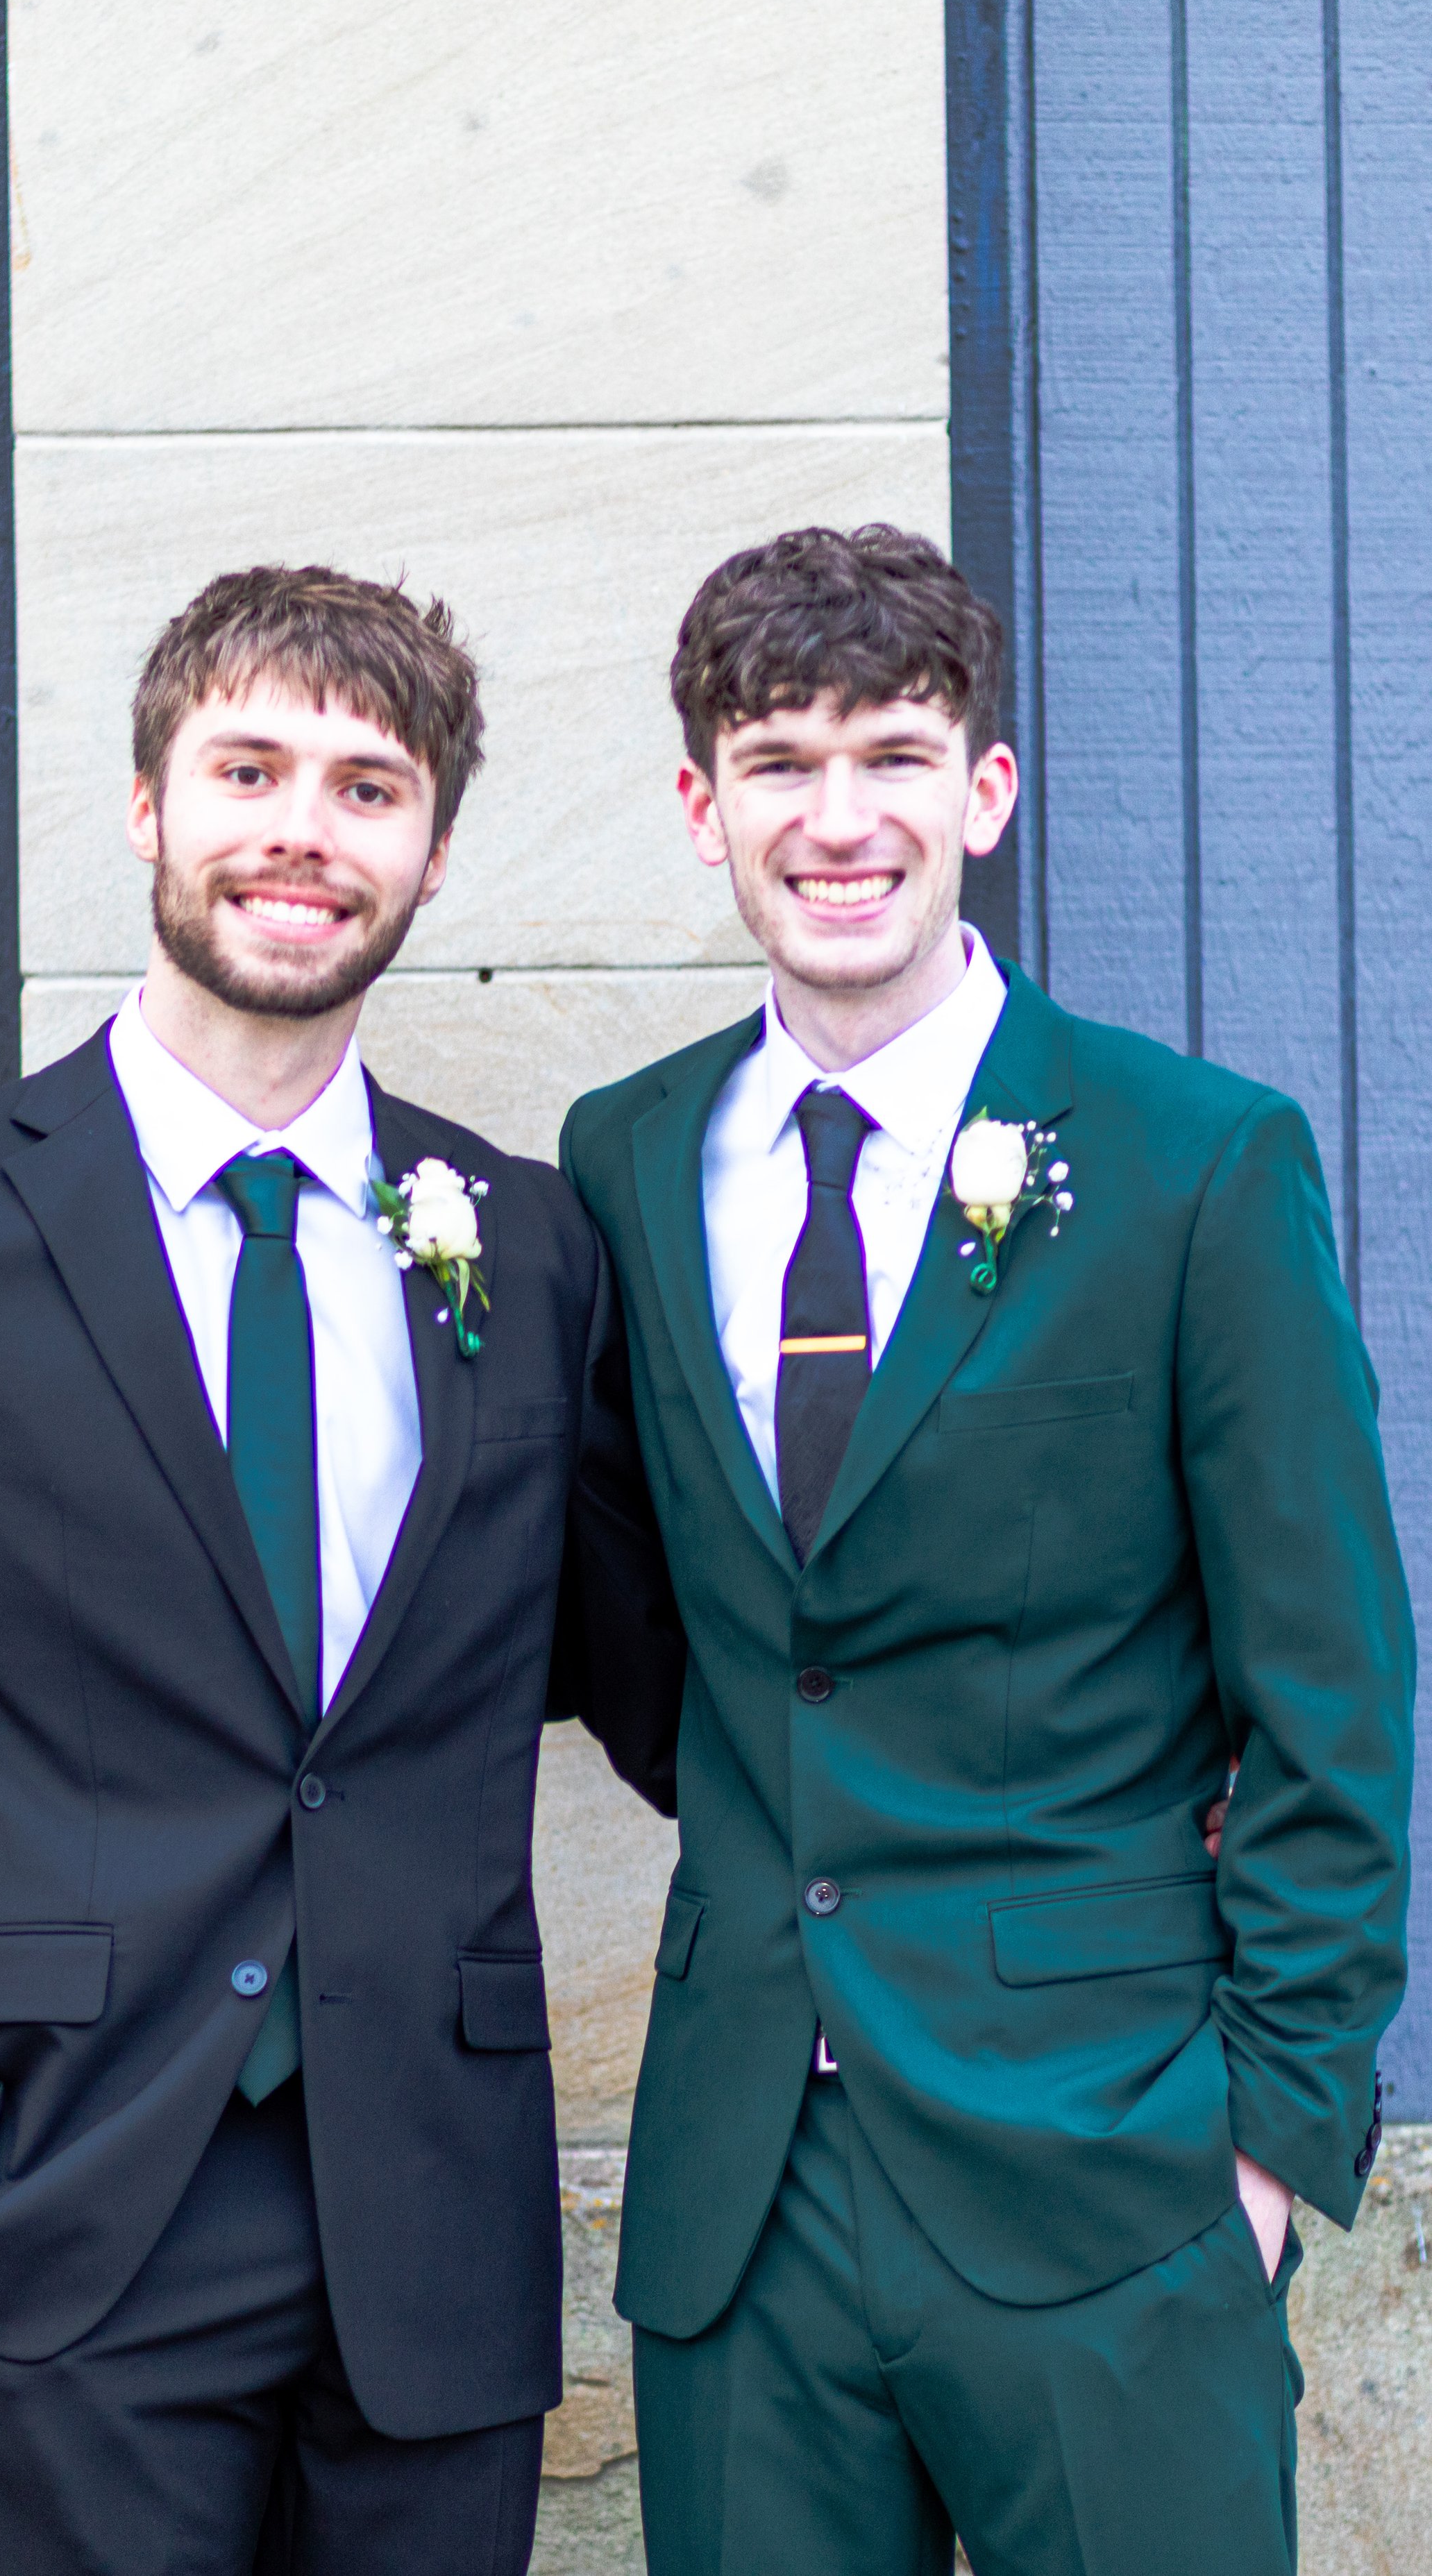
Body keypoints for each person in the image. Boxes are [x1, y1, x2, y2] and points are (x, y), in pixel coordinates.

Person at [0, 564, 682, 2576]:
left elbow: (665, 1685)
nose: (303, 832)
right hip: (79, 2210)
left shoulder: (524, 1241)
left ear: (430, 854)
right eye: (249, 770)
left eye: (367, 788)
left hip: (436, 2219)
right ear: (148, 803)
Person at [560, 523, 1413, 2576]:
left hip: (1113, 2169)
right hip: (745, 2192)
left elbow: (1331, 1689)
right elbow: (666, 1636)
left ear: (987, 790)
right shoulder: (623, 1159)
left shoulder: (1195, 1158)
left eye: (894, 755)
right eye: (779, 762)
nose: (838, 818)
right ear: (701, 806)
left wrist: (1266, 2144)